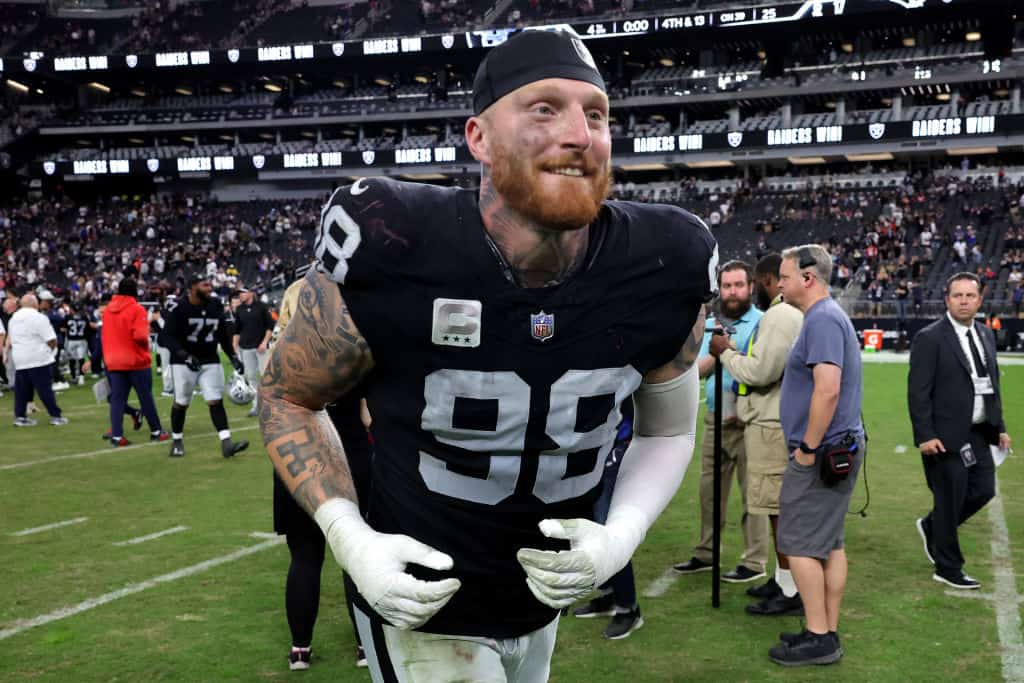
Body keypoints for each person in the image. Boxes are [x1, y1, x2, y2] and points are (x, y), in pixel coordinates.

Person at [259, 28, 717, 682]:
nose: (581, 133)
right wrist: (350, 537)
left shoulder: (666, 258)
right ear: (478, 137)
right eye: (544, 108)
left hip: (539, 602)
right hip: (424, 607)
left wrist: (623, 533)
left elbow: (668, 426)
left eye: (596, 114)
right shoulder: (393, 236)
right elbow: (287, 392)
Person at [769, 244, 864, 667]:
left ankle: (820, 635)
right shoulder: (825, 317)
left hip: (823, 451)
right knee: (830, 542)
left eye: (786, 276)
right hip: (837, 448)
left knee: (799, 542)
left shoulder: (823, 318)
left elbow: (828, 388)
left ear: (808, 278)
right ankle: (823, 628)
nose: (780, 283)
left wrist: (807, 447)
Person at [271, 277, 372, 671]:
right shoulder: (352, 344)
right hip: (347, 452)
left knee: (304, 556)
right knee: (355, 554)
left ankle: (300, 649)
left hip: (295, 455)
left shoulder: (281, 354)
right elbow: (368, 413)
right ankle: (365, 644)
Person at [709, 253, 804, 616]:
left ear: (764, 282)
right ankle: (782, 580)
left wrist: (726, 353)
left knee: (777, 510)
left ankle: (792, 590)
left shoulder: (780, 314)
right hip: (772, 422)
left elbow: (760, 372)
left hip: (771, 425)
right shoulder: (789, 313)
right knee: (772, 507)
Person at [908, 272, 1012, 590]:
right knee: (950, 498)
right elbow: (918, 391)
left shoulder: (984, 334)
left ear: (980, 300)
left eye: (970, 296)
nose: (964, 301)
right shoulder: (930, 337)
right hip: (944, 435)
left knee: (983, 490)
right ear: (947, 299)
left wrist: (999, 429)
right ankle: (948, 567)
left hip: (980, 431)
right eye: (957, 296)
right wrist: (925, 435)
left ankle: (933, 526)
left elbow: (991, 384)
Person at [674, 260, 770, 584]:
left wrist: (729, 351)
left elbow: (763, 369)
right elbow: (697, 370)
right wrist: (716, 354)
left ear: (751, 287)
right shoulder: (711, 324)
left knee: (752, 494)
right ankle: (706, 552)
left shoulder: (763, 322)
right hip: (716, 419)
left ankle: (754, 561)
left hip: (749, 421)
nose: (731, 292)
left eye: (738, 285)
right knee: (709, 492)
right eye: (726, 286)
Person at [571, 398, 644, 639]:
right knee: (587, 525)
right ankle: (609, 594)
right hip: (587, 450)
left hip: (614, 446)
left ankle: (628, 608)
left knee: (607, 527)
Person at [160, 274, 248, 459]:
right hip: (184, 362)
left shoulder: (215, 305)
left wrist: (233, 357)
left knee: (215, 400)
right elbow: (165, 337)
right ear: (192, 287)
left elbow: (223, 334)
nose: (209, 288)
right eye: (205, 285)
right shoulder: (179, 308)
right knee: (182, 402)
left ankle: (226, 443)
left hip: (209, 359)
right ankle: (177, 441)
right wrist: (184, 355)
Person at [102, 278, 168, 447]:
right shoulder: (136, 309)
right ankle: (156, 431)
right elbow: (139, 336)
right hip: (135, 360)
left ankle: (117, 436)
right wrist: (145, 347)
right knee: (145, 397)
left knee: (117, 399)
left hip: (114, 360)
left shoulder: (108, 310)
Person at [8, 293, 68, 427]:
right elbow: (51, 339)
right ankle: (55, 416)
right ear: (34, 303)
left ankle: (20, 417)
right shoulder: (39, 317)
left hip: (20, 359)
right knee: (45, 389)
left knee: (21, 391)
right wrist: (50, 352)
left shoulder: (13, 318)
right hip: (38, 358)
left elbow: (13, 338)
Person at [233, 286, 275, 417]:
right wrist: (234, 345)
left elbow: (270, 326)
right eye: (239, 293)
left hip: (261, 348)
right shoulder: (239, 309)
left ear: (250, 293)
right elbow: (237, 329)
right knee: (251, 378)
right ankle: (256, 406)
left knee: (266, 377)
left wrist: (264, 342)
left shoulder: (261, 306)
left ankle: (272, 406)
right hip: (246, 348)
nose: (240, 295)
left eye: (242, 293)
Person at [38, 290, 69, 391]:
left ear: (47, 302)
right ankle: (57, 380)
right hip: (50, 341)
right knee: (51, 363)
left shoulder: (52, 314)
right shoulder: (49, 313)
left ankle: (60, 381)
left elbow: (62, 323)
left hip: (54, 341)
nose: (40, 303)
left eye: (41, 301)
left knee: (53, 363)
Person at [65, 302, 91, 386]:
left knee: (72, 359)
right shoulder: (84, 317)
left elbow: (63, 327)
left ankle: (73, 377)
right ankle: (81, 378)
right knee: (81, 360)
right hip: (82, 340)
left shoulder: (68, 317)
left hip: (71, 341)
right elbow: (88, 328)